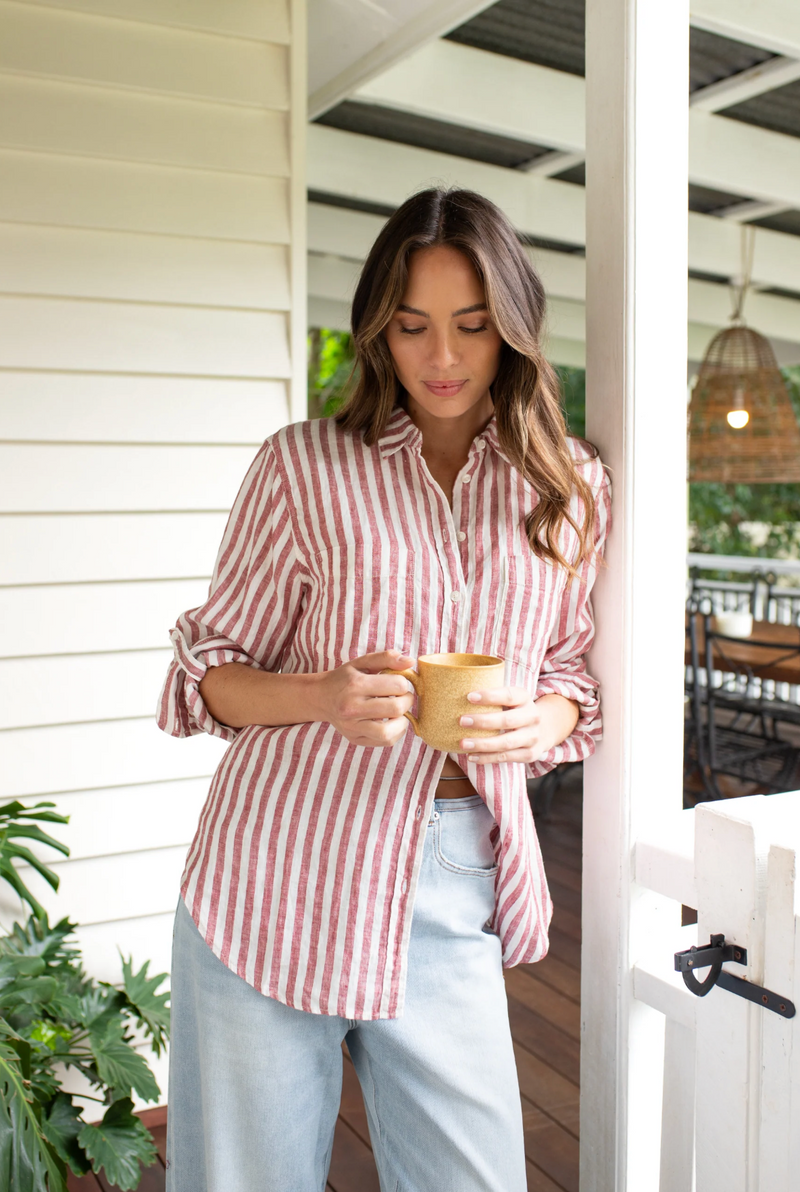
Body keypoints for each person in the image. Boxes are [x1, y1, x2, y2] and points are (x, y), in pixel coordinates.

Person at [157, 186, 611, 1192]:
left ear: (513, 330)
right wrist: (322, 694)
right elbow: (206, 674)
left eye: (470, 325)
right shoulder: (301, 468)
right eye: (411, 327)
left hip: (455, 880)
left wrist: (534, 717)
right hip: (273, 869)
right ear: (377, 331)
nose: (440, 358)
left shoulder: (567, 489)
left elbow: (574, 673)